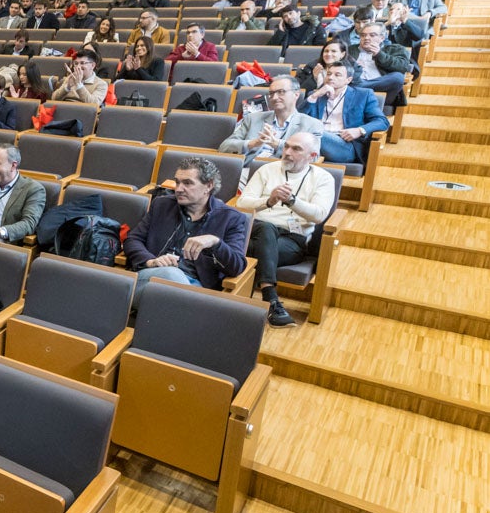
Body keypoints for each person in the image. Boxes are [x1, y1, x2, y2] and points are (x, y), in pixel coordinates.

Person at [236, 132, 335, 328]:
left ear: (312, 156)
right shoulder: (267, 170)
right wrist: (268, 201)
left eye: (296, 149)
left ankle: (234, 305)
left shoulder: (323, 178)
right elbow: (242, 203)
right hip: (256, 231)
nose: (287, 152)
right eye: (287, 146)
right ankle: (271, 298)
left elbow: (319, 215)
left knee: (262, 245)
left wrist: (292, 201)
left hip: (292, 240)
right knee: (266, 228)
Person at [122, 157, 248, 302]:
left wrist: (215, 243)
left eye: (187, 183)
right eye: (177, 182)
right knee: (171, 275)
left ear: (208, 186)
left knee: (174, 288)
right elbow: (133, 239)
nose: (179, 189)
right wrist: (151, 261)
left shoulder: (230, 218)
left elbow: (237, 266)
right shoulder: (162, 205)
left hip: (195, 286)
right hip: (153, 276)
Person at [220, 77, 324, 168]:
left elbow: (313, 158)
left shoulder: (312, 125)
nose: (274, 97)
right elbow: (224, 147)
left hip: (283, 175)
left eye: (281, 92)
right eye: (271, 93)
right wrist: (252, 143)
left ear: (296, 95)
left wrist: (277, 144)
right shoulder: (253, 118)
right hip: (248, 169)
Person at [300, 62, 389, 164]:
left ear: (348, 80)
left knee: (313, 132)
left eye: (337, 75)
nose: (330, 77)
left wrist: (359, 130)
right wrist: (314, 96)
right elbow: (297, 119)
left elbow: (382, 121)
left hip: (344, 145)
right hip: (313, 141)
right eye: (329, 74)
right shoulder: (317, 95)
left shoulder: (363, 95)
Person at [346, 22, 411, 104]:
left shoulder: (395, 49)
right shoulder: (349, 50)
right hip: (355, 83)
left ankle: (361, 88)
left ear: (382, 38)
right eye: (363, 35)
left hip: (380, 87)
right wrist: (354, 67)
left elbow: (402, 66)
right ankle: (360, 89)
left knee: (398, 77)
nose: (366, 38)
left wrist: (379, 54)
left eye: (372, 35)